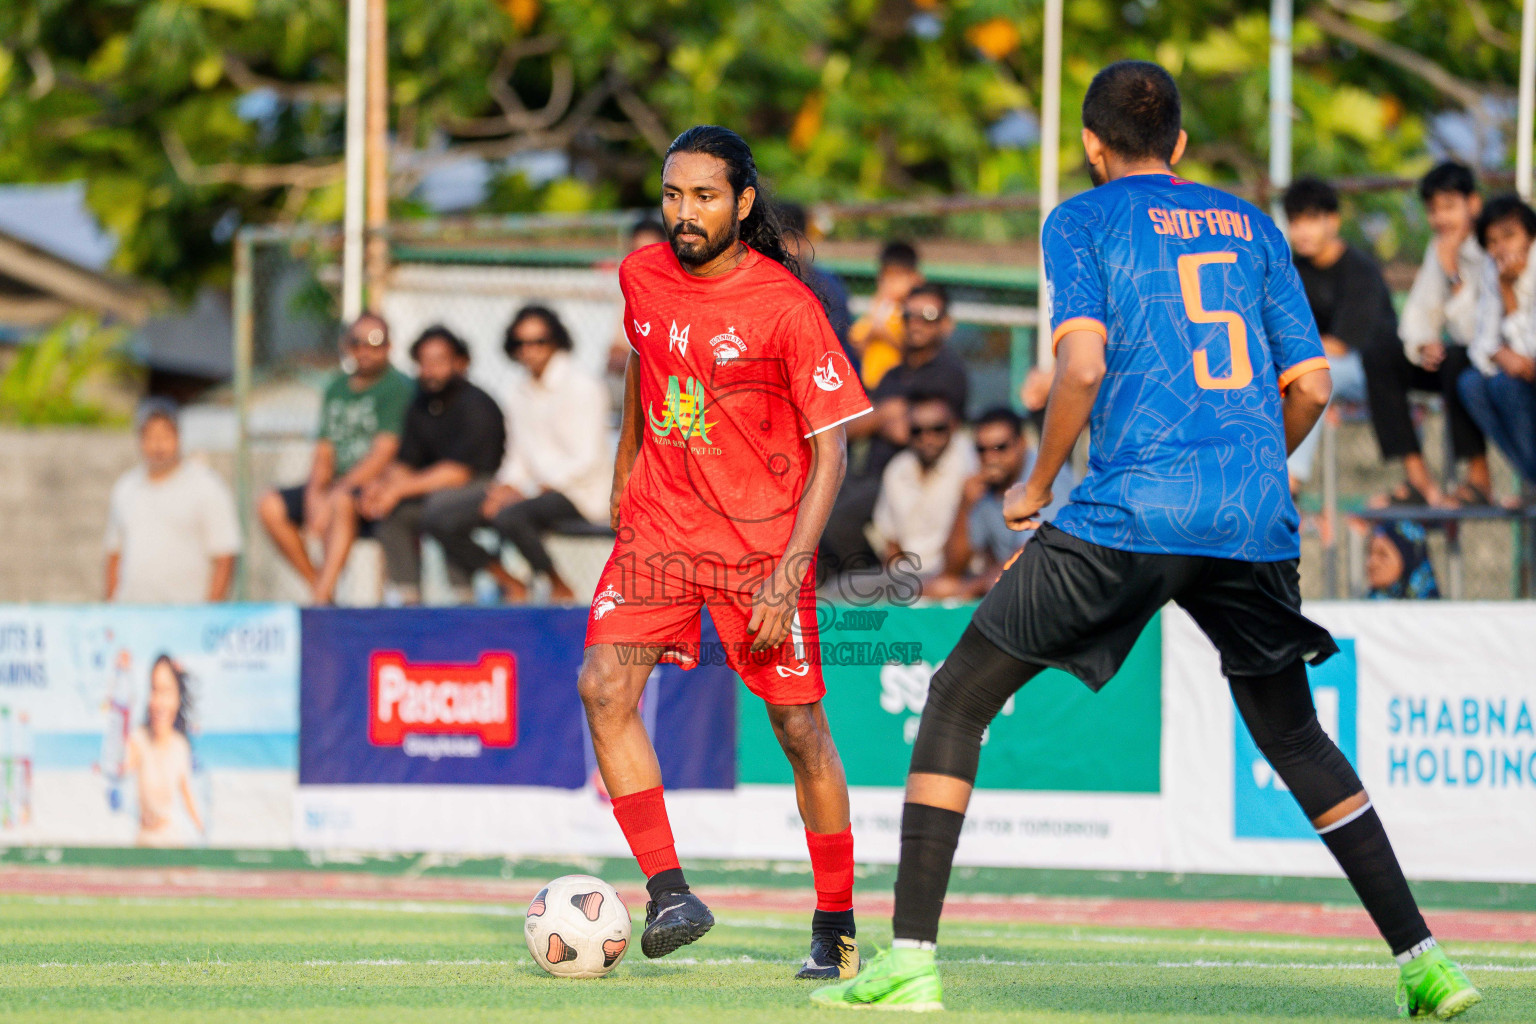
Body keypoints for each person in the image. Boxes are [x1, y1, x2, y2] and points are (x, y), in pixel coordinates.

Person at [812, 61, 1481, 1019]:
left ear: (1091, 145)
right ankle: (1426, 964)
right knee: (1294, 737)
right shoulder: (1252, 225)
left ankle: (910, 962)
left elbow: (1079, 365)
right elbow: (1316, 386)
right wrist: (1253, 466)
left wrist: (1037, 484)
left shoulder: (1079, 221)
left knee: (958, 697)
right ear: (1177, 144)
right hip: (1251, 519)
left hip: (1131, 510)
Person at [579, 125, 872, 977]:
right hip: (662, 530)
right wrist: (626, 464)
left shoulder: (788, 305)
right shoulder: (641, 274)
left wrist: (788, 572)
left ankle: (837, 926)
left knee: (800, 729)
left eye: (704, 196)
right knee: (603, 685)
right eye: (673, 195)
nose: (684, 213)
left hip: (760, 547)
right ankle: (670, 891)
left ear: (743, 203)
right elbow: (645, 360)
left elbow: (834, 452)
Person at [1285, 178, 1460, 507]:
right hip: (1318, 369)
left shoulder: (1359, 270)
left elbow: (1340, 346)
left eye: (1311, 219)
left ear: (1333, 221)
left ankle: (1289, 481)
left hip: (1373, 374)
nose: (1302, 231)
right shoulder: (1293, 271)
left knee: (1321, 371)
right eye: (1295, 221)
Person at [428, 306, 612, 602]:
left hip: (580, 492)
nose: (529, 350)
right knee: (441, 517)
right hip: (530, 493)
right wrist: (506, 486)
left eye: (538, 341)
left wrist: (523, 491)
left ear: (556, 341)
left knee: (509, 515)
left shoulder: (582, 386)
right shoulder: (518, 392)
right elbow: (517, 457)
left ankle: (560, 587)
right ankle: (509, 581)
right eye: (521, 343)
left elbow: (586, 460)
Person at [257, 313, 414, 604]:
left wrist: (334, 493)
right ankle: (321, 589)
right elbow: (324, 450)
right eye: (356, 342)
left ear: (389, 347)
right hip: (335, 485)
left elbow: (383, 453)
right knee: (270, 505)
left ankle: (320, 597)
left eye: (374, 342)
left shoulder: (398, 387)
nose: (365, 349)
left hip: (372, 487)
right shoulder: (336, 387)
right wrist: (316, 493)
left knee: (341, 504)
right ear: (346, 345)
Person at [819, 283, 971, 579]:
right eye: (908, 315)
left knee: (837, 523)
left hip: (911, 479)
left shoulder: (948, 371)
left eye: (927, 315)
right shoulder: (892, 372)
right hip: (870, 472)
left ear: (945, 324)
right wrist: (881, 416)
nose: (916, 323)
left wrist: (878, 418)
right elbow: (847, 425)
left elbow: (907, 430)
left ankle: (870, 583)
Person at [364, 326, 506, 605]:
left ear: (460, 363)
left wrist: (399, 490)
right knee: (395, 514)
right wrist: (382, 488)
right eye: (424, 362)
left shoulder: (476, 404)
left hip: (483, 487)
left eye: (438, 361)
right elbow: (407, 461)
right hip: (433, 489)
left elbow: (459, 472)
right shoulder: (420, 404)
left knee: (441, 510)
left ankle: (463, 598)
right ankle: (408, 599)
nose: (429, 370)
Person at [1393, 162, 1494, 504]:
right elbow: (1418, 315)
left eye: (1449, 207)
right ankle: (1418, 477)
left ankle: (1479, 479)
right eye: (1433, 210)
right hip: (1452, 359)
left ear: (1473, 204)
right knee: (1381, 354)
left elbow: (1476, 334)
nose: (1441, 219)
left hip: (1491, 358)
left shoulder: (1491, 245)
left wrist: (1452, 273)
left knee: (1457, 359)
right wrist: (1423, 346)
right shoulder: (1439, 247)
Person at [927, 406, 1073, 599]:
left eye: (1000, 447)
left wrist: (975, 586)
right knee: (938, 588)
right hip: (1006, 580)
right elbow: (953, 568)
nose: (990, 458)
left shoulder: (1045, 475)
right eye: (981, 449)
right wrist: (964, 505)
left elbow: (1035, 553)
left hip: (1058, 581)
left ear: (1022, 443)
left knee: (993, 583)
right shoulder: (981, 486)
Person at [105, 399, 241, 604]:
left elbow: (225, 555)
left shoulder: (206, 486)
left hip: (187, 617)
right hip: (132, 616)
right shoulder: (125, 487)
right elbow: (114, 553)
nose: (158, 445)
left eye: (165, 436)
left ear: (179, 437)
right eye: (150, 436)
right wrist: (112, 608)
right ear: (140, 440)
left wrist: (210, 614)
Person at [1458, 194, 1536, 488]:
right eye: (1492, 241)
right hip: (1523, 376)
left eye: (1509, 236)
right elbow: (1481, 346)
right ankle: (1532, 479)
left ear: (1530, 236)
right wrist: (1503, 355)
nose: (1501, 248)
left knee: (1504, 384)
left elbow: (1528, 354)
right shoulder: (1495, 271)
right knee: (1471, 384)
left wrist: (1509, 297)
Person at [870, 395, 977, 583]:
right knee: (837, 592)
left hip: (957, 574)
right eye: (917, 431)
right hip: (906, 576)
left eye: (937, 429)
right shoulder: (897, 469)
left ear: (954, 426)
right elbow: (890, 540)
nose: (927, 438)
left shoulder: (970, 462)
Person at [123, 655, 203, 847]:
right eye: (155, 690)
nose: (159, 701)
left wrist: (202, 832)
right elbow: (119, 770)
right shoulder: (138, 739)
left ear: (177, 697)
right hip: (143, 843)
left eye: (166, 691)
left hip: (173, 842)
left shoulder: (180, 746)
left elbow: (187, 796)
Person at [779, 201, 856, 361]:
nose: (782, 248)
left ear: (801, 240)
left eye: (788, 240)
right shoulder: (767, 282)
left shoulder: (827, 285)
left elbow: (832, 339)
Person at [847, 240, 921, 389]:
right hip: (872, 384)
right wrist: (871, 334)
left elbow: (912, 351)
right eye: (885, 278)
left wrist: (885, 335)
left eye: (896, 278)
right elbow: (857, 342)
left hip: (900, 386)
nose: (889, 284)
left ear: (914, 279)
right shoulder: (878, 309)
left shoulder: (913, 313)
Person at [1366, 521, 1440, 600]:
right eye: (1369, 552)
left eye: (1383, 554)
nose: (1371, 562)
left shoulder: (1436, 610)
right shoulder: (1360, 609)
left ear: (1407, 558)